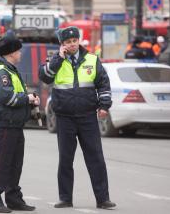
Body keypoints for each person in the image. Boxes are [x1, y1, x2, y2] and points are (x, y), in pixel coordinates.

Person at [39, 26, 116, 210]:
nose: (72, 44)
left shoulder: (91, 59)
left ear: (78, 41)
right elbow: (45, 77)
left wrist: (104, 106)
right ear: (62, 44)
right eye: (68, 42)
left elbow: (103, 84)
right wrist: (59, 58)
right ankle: (65, 198)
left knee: (96, 158)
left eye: (74, 41)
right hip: (65, 118)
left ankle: (103, 199)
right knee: (65, 159)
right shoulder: (56, 60)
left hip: (88, 116)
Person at [0, 32, 39, 213]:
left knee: (15, 164)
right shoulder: (0, 72)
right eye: (19, 50)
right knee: (2, 163)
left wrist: (29, 99)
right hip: (6, 123)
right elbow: (7, 98)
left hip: (15, 124)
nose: (21, 53)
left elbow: (15, 95)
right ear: (11, 52)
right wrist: (28, 99)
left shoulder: (10, 71)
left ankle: (13, 198)